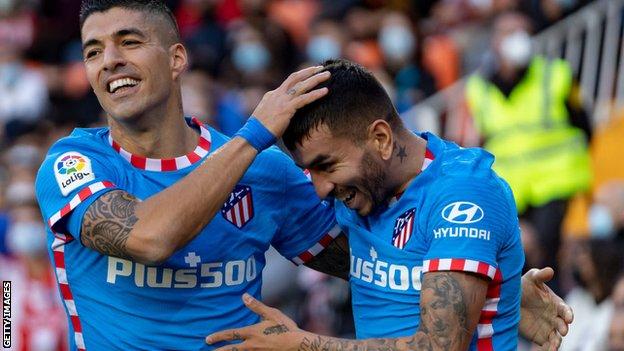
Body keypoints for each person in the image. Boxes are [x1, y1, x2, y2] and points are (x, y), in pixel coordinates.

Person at [35, 2, 568, 350]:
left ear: (177, 58)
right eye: (93, 51)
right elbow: (149, 237)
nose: (109, 61)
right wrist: (252, 136)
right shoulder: (73, 166)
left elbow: (375, 259)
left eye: (129, 41)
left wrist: (485, 291)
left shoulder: (263, 171)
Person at [206, 59, 571, 351]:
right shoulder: (362, 190)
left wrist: (302, 344)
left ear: (380, 138)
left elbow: (438, 346)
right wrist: (504, 292)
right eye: (309, 170)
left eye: (326, 166)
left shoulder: (462, 194)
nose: (319, 188)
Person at [464, 12, 591, 285]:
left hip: (557, 182)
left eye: (523, 32)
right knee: (510, 259)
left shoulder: (556, 74)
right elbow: (477, 143)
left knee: (547, 258)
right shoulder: (478, 90)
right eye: (509, 32)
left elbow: (584, 126)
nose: (518, 39)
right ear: (495, 42)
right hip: (511, 192)